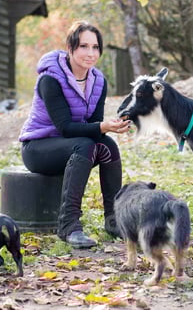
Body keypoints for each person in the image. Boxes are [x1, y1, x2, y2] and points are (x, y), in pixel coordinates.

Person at [18, 21, 130, 248]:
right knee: (85, 145)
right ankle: (68, 225)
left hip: (73, 147)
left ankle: (114, 219)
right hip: (38, 149)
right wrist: (102, 126)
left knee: (108, 146)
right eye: (83, 46)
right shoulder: (50, 79)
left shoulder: (98, 81)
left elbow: (92, 126)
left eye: (95, 47)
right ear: (70, 48)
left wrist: (113, 125)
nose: (90, 53)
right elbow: (65, 127)